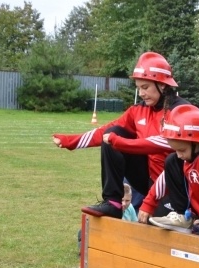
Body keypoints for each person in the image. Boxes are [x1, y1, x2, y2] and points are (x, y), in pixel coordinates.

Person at [52, 52, 189, 219]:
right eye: (138, 88)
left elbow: (165, 142)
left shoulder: (181, 111)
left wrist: (121, 143)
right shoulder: (138, 111)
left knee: (158, 232)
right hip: (149, 181)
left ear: (162, 85)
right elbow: (106, 131)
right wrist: (70, 141)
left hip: (178, 186)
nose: (141, 94)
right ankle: (113, 203)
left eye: (145, 87)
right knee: (112, 133)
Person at [137, 104, 199, 257]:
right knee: (172, 161)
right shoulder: (189, 155)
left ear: (197, 142)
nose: (179, 155)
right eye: (176, 149)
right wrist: (148, 204)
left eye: (182, 150)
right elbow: (167, 175)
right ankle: (181, 216)